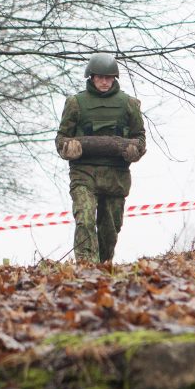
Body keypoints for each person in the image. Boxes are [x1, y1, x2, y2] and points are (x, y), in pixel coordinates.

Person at [55, 53, 146, 263]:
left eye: (109, 77)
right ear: (91, 77)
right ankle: (86, 268)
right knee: (85, 220)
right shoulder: (75, 103)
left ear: (115, 78)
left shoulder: (129, 104)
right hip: (84, 173)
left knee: (110, 230)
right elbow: (61, 137)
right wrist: (69, 147)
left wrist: (135, 149)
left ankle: (103, 270)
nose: (104, 82)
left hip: (115, 176)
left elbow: (139, 137)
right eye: (100, 77)